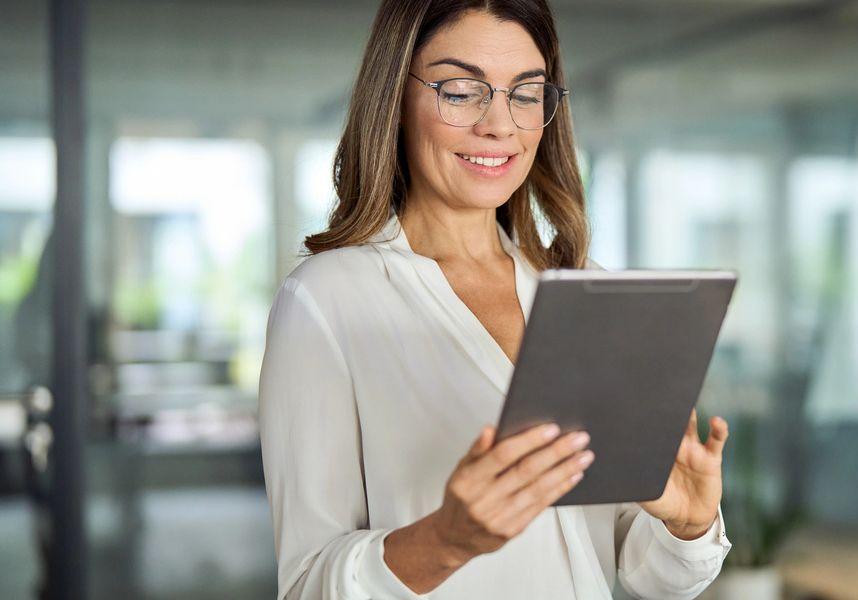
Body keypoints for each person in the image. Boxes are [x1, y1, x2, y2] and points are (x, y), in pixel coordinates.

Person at [257, 1, 732, 598]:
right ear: (395, 100)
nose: (499, 125)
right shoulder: (327, 300)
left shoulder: (586, 289)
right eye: (460, 91)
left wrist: (687, 526)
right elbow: (306, 586)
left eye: (525, 94)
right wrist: (445, 540)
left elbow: (647, 574)